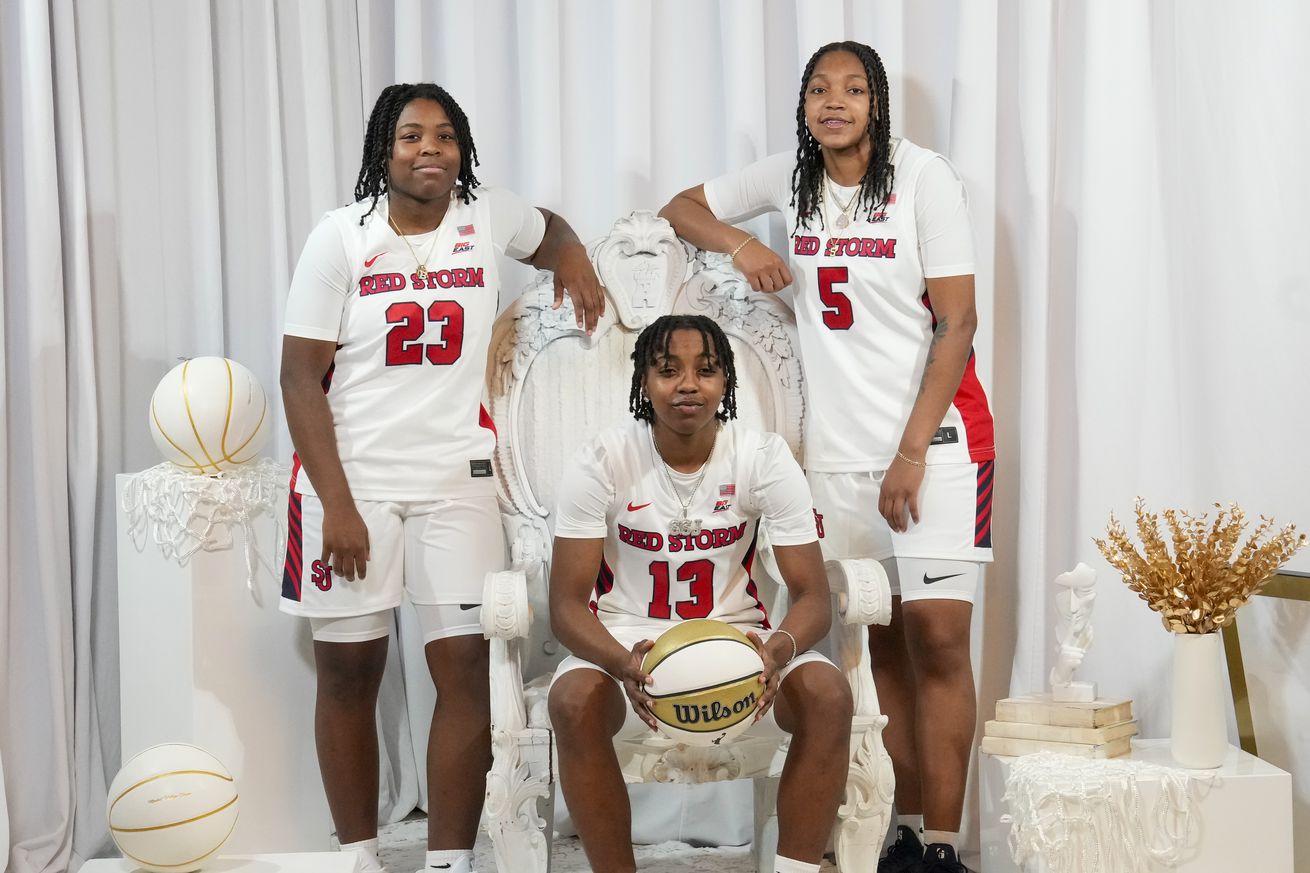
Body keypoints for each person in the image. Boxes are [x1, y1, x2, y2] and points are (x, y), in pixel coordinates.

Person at [660, 41, 996, 873]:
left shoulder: (925, 178)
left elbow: (958, 323)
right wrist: (743, 247)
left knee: (940, 640)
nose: (834, 101)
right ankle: (906, 830)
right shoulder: (792, 178)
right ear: (804, 105)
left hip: (938, 444)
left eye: (852, 88)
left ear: (877, 102)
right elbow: (680, 206)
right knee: (877, 646)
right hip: (839, 457)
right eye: (819, 89)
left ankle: (947, 847)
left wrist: (912, 450)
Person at [278, 82, 605, 873]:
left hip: (456, 477)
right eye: (411, 136)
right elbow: (296, 378)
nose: (431, 149)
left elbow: (551, 230)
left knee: (466, 669)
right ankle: (358, 854)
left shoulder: (485, 212)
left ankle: (448, 859)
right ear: (382, 151)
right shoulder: (339, 238)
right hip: (350, 481)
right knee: (351, 671)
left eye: (446, 136)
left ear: (463, 149)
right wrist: (337, 505)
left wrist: (577, 260)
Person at [548, 315, 852, 873]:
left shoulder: (762, 456)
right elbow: (565, 607)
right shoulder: (602, 459)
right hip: (628, 649)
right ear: (643, 381)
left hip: (742, 646)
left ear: (726, 383)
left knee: (828, 694)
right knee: (571, 703)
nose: (688, 384)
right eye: (668, 371)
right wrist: (620, 663)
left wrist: (776, 650)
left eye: (706, 371)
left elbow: (812, 595)